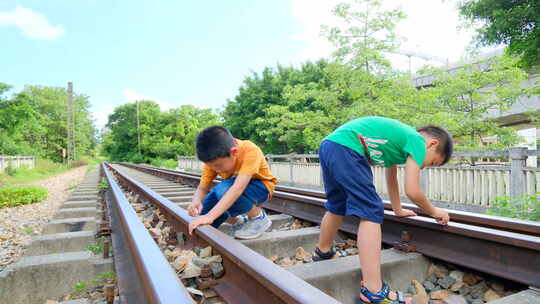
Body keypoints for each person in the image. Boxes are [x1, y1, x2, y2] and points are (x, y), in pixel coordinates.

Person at [313, 116, 452, 304]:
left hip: (330, 145)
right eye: (433, 162)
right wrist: (434, 211)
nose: (425, 166)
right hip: (347, 147)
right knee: (371, 209)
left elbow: (391, 174)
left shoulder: (398, 141)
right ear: (432, 144)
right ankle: (374, 291)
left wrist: (397, 208)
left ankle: (323, 251)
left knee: (338, 204)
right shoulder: (418, 141)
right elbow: (412, 190)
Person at [187, 126, 278, 239]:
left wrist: (210, 216)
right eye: (212, 167)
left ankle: (258, 218)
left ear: (233, 152)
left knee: (223, 190)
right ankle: (238, 221)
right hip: (234, 187)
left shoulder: (250, 150)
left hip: (261, 187)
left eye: (218, 166)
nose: (216, 170)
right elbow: (202, 188)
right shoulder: (213, 158)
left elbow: (237, 189)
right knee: (206, 209)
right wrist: (196, 201)